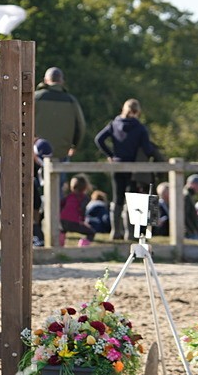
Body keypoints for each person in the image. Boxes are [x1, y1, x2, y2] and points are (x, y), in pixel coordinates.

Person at [94, 98, 159, 240]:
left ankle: (115, 231)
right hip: (133, 166)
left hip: (117, 165)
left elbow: (99, 139)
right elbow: (147, 149)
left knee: (117, 199)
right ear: (138, 112)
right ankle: (130, 232)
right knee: (132, 199)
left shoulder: (114, 124)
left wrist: (111, 155)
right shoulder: (140, 128)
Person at [33, 67, 86, 163]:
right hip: (61, 153)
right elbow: (80, 126)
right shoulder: (71, 101)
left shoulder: (35, 98)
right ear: (62, 81)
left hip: (36, 152)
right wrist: (74, 146)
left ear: (45, 80)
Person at [59, 175, 95, 246]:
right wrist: (82, 221)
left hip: (63, 221)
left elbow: (60, 205)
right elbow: (82, 210)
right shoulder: (84, 198)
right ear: (85, 187)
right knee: (91, 232)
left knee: (62, 231)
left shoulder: (68, 197)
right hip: (74, 222)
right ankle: (83, 245)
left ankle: (60, 244)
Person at [182, 174, 198, 240]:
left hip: (190, 232)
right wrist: (192, 231)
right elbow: (184, 216)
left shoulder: (188, 195)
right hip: (189, 234)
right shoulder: (186, 195)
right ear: (193, 184)